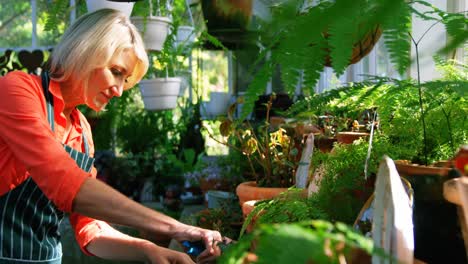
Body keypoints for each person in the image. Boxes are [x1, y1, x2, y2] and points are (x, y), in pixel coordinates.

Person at [0, 9, 222, 264]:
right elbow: (64, 181)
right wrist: (173, 227)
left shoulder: (82, 131)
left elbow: (89, 228)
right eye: (116, 71)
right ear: (86, 51)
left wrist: (149, 250)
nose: (119, 91)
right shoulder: (17, 91)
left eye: (125, 79)